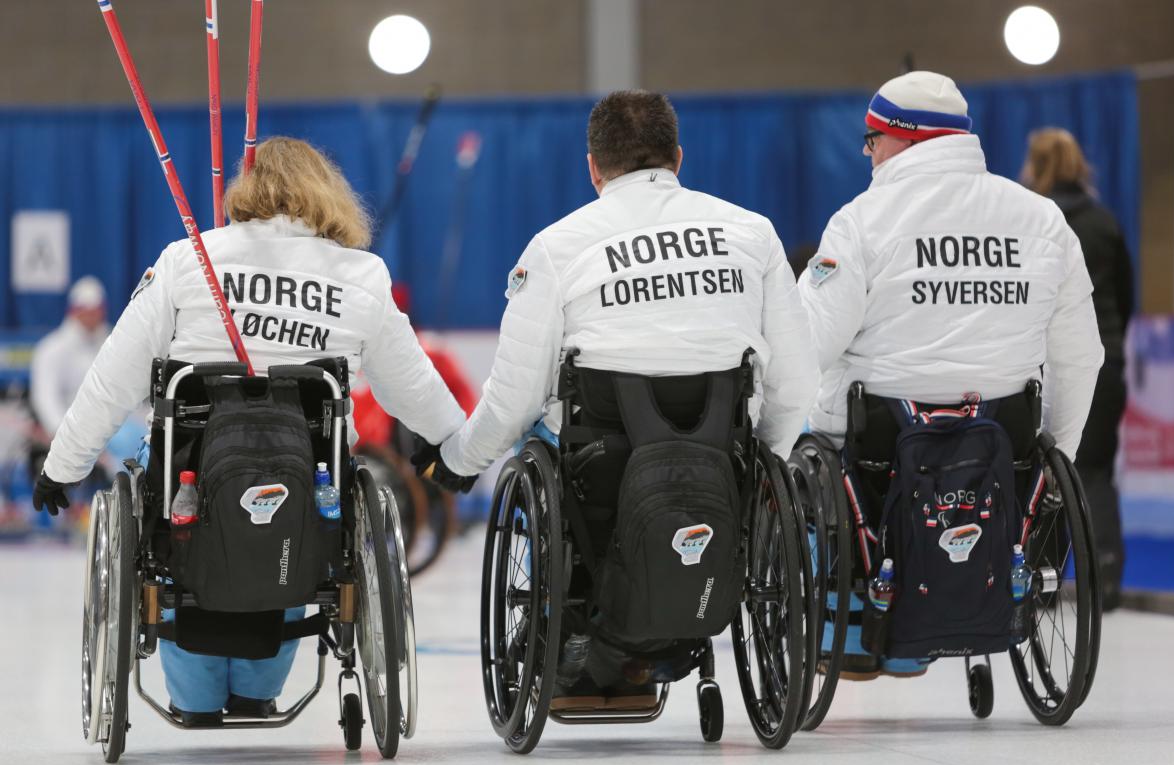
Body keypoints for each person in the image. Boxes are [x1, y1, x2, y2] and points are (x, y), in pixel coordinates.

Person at [31, 136, 465, 726]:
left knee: (181, 508)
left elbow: (112, 378)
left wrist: (63, 467)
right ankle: (258, 685)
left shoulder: (190, 260)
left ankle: (198, 696)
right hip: (307, 508)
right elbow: (415, 389)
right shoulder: (361, 276)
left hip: (188, 498)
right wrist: (455, 449)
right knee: (303, 516)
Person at [417, 90, 818, 705]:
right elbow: (794, 380)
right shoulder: (754, 234)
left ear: (593, 167)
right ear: (678, 158)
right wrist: (760, 473)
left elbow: (514, 396)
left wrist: (459, 462)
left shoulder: (556, 247)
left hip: (601, 470)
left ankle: (589, 642)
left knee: (542, 440)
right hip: (723, 463)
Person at [799, 72, 1104, 678]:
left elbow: (807, 343)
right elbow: (1080, 356)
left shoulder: (861, 221)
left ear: (902, 139)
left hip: (876, 452)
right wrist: (1047, 470)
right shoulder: (1042, 220)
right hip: (1002, 446)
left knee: (799, 442)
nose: (868, 153)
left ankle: (852, 624)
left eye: (871, 139)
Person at [1023, 127, 1134, 611]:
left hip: (1043, 363)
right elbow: (1125, 299)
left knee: (1044, 470)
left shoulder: (1029, 222)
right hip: (1104, 362)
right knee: (1095, 470)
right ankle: (1105, 577)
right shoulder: (1104, 222)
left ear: (1034, 166)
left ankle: (1043, 579)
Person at [30, 276, 110, 437]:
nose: (91, 317)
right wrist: (65, 438)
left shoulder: (113, 341)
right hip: (71, 433)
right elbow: (45, 399)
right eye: (86, 311)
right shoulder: (51, 349)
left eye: (96, 311)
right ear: (74, 311)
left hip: (111, 431)